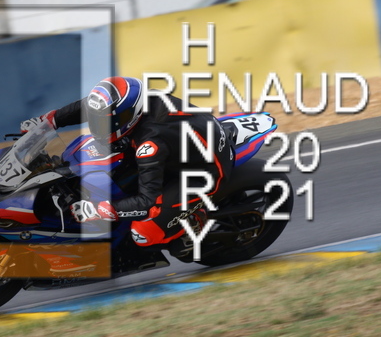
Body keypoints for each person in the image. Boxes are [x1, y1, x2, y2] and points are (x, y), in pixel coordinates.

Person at [20, 77, 234, 256]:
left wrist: (98, 210)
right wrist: (49, 121)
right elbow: (87, 106)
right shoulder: (131, 103)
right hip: (183, 146)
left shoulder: (150, 144)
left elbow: (147, 201)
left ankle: (195, 221)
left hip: (204, 171)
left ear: (128, 117)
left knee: (144, 234)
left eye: (106, 122)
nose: (98, 126)